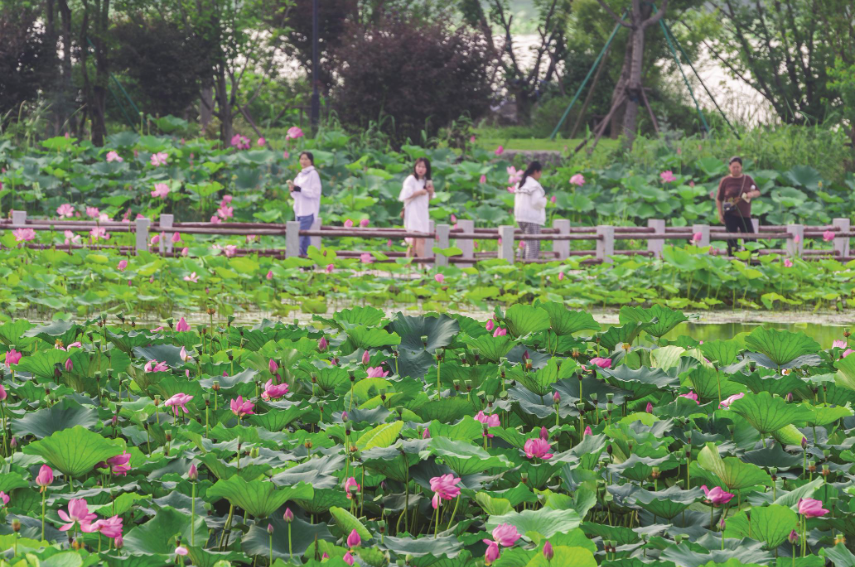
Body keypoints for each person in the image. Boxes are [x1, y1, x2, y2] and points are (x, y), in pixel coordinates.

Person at [716, 156, 761, 256]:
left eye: (738, 167)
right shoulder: (725, 181)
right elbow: (719, 199)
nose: (736, 169)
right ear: (729, 167)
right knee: (732, 241)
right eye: (733, 167)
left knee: (750, 239)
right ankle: (732, 263)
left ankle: (754, 262)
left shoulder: (747, 179)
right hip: (730, 214)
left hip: (744, 214)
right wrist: (720, 214)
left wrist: (751, 194)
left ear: (741, 167)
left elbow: (758, 192)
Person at [399, 158, 435, 257]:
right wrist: (419, 193)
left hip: (422, 212)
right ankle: (422, 266)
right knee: (421, 239)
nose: (421, 169)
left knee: (414, 242)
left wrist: (430, 193)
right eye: (419, 166)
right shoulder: (411, 179)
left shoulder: (426, 181)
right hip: (413, 212)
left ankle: (407, 266)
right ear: (415, 167)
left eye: (423, 167)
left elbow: (426, 201)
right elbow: (404, 196)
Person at [288, 151, 322, 256]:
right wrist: (293, 190)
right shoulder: (299, 175)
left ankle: (294, 262)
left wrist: (301, 189)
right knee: (305, 238)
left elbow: (315, 193)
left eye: (306, 159)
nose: (303, 161)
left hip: (308, 211)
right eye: (301, 159)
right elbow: (296, 196)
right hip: (299, 210)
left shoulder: (313, 174)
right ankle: (307, 262)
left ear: (311, 161)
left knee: (299, 237)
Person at [514, 161, 547, 260]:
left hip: (520, 217)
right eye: (540, 172)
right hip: (531, 218)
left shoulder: (521, 183)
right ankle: (530, 267)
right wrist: (544, 200)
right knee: (533, 245)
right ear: (536, 171)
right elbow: (536, 201)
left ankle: (519, 262)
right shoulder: (534, 185)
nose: (540, 175)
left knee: (524, 241)